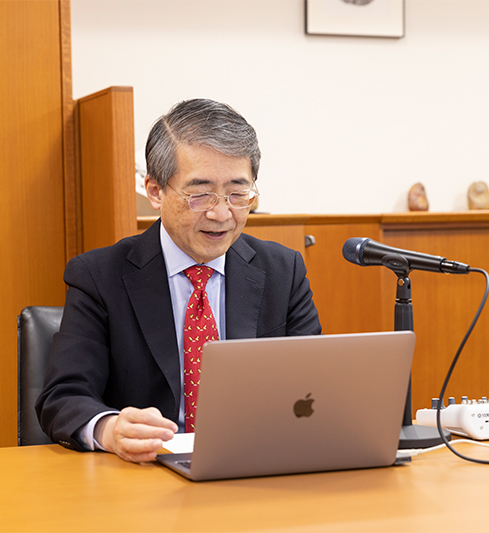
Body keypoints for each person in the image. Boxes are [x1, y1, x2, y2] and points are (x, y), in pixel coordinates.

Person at [36, 98, 321, 463]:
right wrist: (110, 429)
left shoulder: (283, 271)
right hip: (144, 480)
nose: (221, 213)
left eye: (238, 194)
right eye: (200, 194)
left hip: (254, 468)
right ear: (155, 191)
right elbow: (62, 397)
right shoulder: (99, 277)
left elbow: (312, 388)